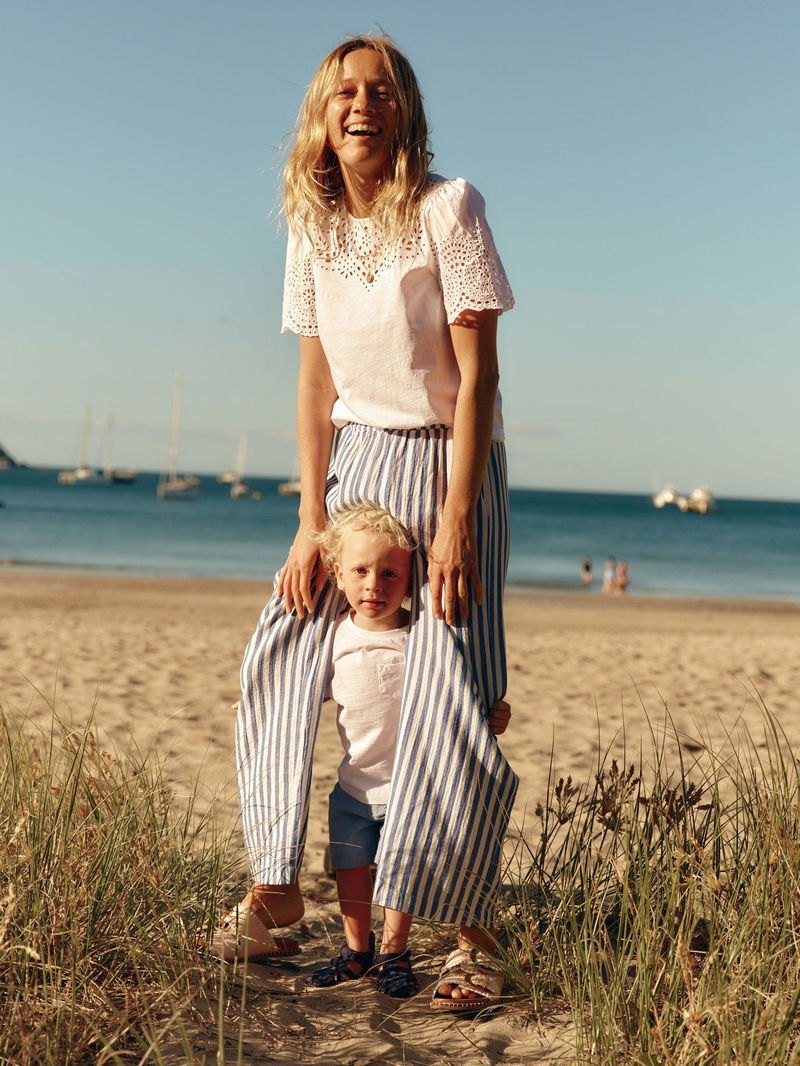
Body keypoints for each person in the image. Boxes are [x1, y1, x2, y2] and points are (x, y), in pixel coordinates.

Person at [212, 33, 517, 1012]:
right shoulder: (313, 229)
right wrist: (310, 518)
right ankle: (275, 890)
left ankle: (472, 939)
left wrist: (457, 517)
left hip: (446, 459)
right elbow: (315, 385)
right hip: (351, 468)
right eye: (345, 90)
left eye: (382, 91)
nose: (362, 104)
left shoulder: (448, 207)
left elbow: (478, 375)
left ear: (404, 111)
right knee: (281, 647)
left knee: (455, 686)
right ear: (321, 113)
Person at [301, 505, 510, 997]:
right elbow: (304, 690)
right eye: (361, 571)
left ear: (412, 579)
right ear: (339, 575)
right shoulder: (334, 637)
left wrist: (491, 714)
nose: (374, 585)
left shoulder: (422, 637)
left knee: (400, 871)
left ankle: (394, 952)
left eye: (390, 574)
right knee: (350, 870)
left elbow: (456, 691)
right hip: (353, 785)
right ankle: (357, 950)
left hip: (410, 787)